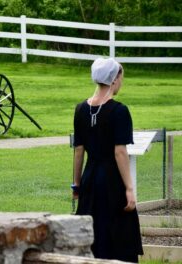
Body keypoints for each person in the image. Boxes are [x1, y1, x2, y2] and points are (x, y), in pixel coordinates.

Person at [72, 58, 143, 262]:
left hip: (90, 177)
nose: (121, 82)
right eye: (121, 78)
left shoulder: (80, 109)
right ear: (114, 79)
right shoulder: (119, 111)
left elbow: (79, 150)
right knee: (118, 232)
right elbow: (119, 152)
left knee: (93, 232)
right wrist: (129, 188)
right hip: (112, 180)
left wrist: (77, 184)